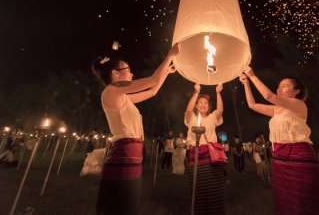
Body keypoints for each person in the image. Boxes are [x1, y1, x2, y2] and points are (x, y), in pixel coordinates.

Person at [92, 44, 179, 215]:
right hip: (122, 155)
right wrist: (169, 55)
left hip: (131, 154)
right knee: (120, 205)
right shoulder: (111, 91)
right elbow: (152, 80)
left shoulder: (123, 97)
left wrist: (166, 73)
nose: (132, 73)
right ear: (115, 74)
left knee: (126, 204)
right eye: (128, 69)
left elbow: (152, 91)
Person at [240, 68, 319, 215]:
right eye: (279, 86)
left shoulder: (299, 105)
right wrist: (246, 84)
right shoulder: (277, 110)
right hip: (279, 158)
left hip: (298, 157)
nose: (280, 89)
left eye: (285, 86)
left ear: (296, 92)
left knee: (303, 202)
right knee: (285, 202)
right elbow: (252, 105)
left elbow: (269, 96)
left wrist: (252, 76)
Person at [185, 83, 225, 215]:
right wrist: (196, 92)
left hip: (211, 158)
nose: (203, 104)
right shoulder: (192, 118)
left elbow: (220, 110)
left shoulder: (213, 117)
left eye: (206, 103)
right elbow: (188, 110)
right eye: (200, 103)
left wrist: (218, 92)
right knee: (198, 190)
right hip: (195, 156)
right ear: (196, 105)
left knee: (214, 189)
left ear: (209, 106)